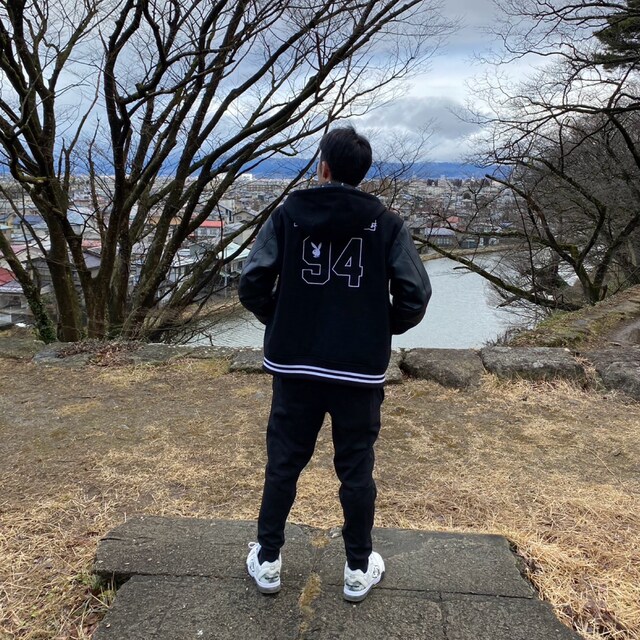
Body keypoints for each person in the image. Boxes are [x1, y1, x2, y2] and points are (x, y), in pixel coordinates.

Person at [238, 126, 431, 602]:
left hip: (295, 366)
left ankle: (268, 560)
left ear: (322, 167)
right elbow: (415, 294)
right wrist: (378, 327)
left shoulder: (288, 214)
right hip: (358, 370)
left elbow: (252, 282)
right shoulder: (386, 223)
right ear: (361, 173)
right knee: (356, 469)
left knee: (284, 463)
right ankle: (358, 568)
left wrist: (280, 318)